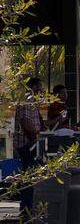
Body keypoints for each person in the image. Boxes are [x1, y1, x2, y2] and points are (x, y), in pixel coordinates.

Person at [13, 77, 44, 214]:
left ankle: (27, 206)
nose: (41, 90)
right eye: (39, 87)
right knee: (29, 176)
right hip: (26, 144)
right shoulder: (27, 100)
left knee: (30, 175)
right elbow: (25, 123)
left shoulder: (33, 103)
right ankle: (26, 207)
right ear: (33, 87)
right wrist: (36, 133)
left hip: (31, 143)